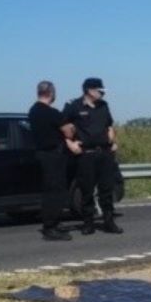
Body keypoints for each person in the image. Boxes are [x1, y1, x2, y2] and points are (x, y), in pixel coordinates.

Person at [63, 77, 122, 234]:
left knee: (106, 190)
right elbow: (62, 128)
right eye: (100, 90)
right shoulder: (73, 106)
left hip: (104, 152)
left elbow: (109, 125)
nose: (102, 93)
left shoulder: (103, 106)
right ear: (89, 91)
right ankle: (88, 223)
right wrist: (70, 144)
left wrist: (112, 140)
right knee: (86, 190)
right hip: (86, 154)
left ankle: (109, 222)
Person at [28, 81, 74, 241]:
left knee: (50, 190)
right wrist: (67, 119)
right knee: (55, 192)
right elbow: (68, 132)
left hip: (42, 154)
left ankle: (54, 222)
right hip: (54, 155)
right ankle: (50, 227)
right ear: (51, 93)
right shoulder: (52, 112)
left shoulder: (33, 111)